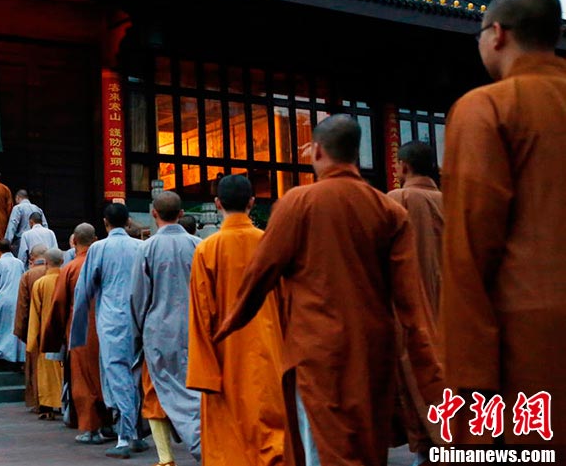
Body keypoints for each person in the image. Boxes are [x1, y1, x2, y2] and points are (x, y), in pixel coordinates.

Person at [214, 116, 443, 466]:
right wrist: (425, 358)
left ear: (318, 150)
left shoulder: (298, 203)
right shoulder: (387, 209)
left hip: (317, 350)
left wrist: (229, 323)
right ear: (356, 154)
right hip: (374, 351)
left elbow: (260, 274)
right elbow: (409, 300)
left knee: (321, 445)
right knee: (367, 444)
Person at [442, 0, 566, 452]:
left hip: (528, 351)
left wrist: (469, 388)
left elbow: (469, 254)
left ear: (496, 34)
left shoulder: (487, 108)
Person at [187, 175, 286, 466]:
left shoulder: (207, 249)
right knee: (273, 431)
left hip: (225, 357)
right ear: (252, 203)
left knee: (228, 437)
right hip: (271, 350)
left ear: (217, 204)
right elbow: (287, 302)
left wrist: (204, 372)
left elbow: (201, 313)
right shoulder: (270, 243)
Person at [71, 203, 148, 459]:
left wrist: (78, 328)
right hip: (140, 319)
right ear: (128, 222)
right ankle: (135, 432)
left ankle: (125, 437)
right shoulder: (140, 247)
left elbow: (84, 290)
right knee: (135, 374)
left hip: (112, 319)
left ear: (105, 223)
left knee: (117, 375)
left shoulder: (99, 248)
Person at [131, 192, 202, 464]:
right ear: (181, 214)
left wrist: (138, 332)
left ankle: (165, 458)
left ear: (154, 213)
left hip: (157, 331)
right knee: (195, 389)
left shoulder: (146, 248)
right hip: (193, 330)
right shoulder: (198, 245)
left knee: (155, 392)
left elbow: (138, 297)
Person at [42, 223, 112, 445]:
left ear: (74, 242)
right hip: (110, 327)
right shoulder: (105, 263)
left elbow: (60, 303)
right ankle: (113, 424)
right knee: (107, 377)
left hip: (81, 330)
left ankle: (91, 429)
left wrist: (53, 336)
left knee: (84, 379)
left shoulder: (71, 268)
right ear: (95, 239)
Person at [388, 141, 443, 315]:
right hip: (449, 302)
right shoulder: (450, 200)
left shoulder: (399, 197)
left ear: (404, 167)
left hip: (411, 301)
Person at [27, 248, 66, 420]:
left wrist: (31, 341)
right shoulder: (67, 279)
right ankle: (66, 404)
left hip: (47, 335)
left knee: (47, 373)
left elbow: (35, 314)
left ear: (47, 263)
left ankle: (49, 405)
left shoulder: (41, 283)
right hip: (67, 333)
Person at [15, 244, 50, 412]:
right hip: (55, 327)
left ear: (32, 258)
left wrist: (21, 331)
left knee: (36, 366)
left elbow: (22, 306)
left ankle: (40, 402)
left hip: (34, 327)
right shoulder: (57, 273)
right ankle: (56, 400)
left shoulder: (28, 275)